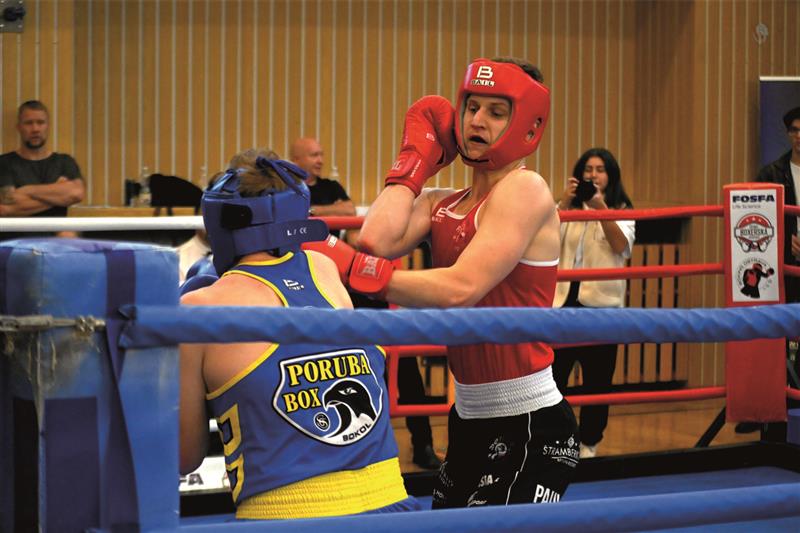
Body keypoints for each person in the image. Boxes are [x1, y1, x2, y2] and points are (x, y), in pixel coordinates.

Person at [312, 57, 580, 508]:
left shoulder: (525, 189)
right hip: (469, 417)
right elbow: (376, 239)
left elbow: (461, 287)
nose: (477, 120)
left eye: (497, 112)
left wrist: (363, 273)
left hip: (530, 420)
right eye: (471, 107)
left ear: (528, 125)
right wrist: (415, 164)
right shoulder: (443, 202)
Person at [178, 152, 420, 519]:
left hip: (284, 517)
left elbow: (184, 456)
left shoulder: (199, 309)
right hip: (394, 507)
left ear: (217, 222)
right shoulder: (324, 270)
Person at [552, 148, 635, 459]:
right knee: (553, 379)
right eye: (588, 169)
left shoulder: (622, 208)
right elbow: (543, 240)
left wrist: (600, 207)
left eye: (600, 169)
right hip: (561, 305)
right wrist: (562, 203)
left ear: (610, 176)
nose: (593, 175)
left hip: (601, 309)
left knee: (597, 381)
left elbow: (621, 247)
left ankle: (589, 444)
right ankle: (558, 440)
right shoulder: (567, 208)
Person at [751, 105, 800, 436]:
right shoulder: (770, 173)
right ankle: (776, 426)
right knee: (780, 347)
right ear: (788, 133)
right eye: (795, 129)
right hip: (783, 273)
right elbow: (757, 227)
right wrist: (785, 245)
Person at [0, 100, 85, 239]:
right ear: (19, 127)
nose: (35, 129)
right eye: (29, 123)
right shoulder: (4, 163)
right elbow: (6, 207)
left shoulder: (64, 162)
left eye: (40, 122)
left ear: (48, 126)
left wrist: (27, 191)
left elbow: (76, 194)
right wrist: (58, 192)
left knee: (68, 235)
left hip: (56, 239)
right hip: (15, 240)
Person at [289, 137, 356, 240]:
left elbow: (350, 210)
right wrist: (333, 210)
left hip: (332, 246)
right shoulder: (288, 188)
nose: (320, 161)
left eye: (321, 155)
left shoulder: (331, 186)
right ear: (296, 160)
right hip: (301, 247)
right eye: (314, 155)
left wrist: (314, 211)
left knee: (356, 231)